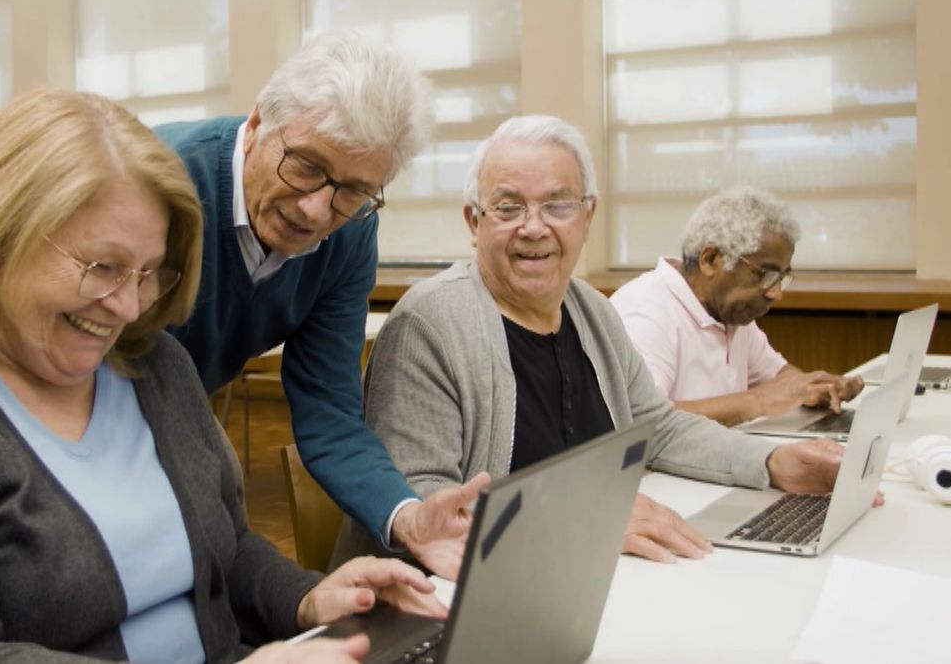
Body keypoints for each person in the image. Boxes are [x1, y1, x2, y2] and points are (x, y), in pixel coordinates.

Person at [0, 89, 444, 664]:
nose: (129, 306)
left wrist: (305, 598)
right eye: (103, 266)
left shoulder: (150, 365)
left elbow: (225, 550)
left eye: (150, 272)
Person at [330, 115, 854, 569]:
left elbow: (659, 428)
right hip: (449, 607)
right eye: (508, 208)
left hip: (580, 578)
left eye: (558, 205)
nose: (534, 228)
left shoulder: (592, 312)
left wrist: (769, 463)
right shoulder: (429, 325)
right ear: (474, 222)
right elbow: (424, 507)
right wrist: (582, 522)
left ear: (587, 216)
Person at [154, 30, 486, 575]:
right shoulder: (161, 184)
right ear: (258, 123)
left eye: (352, 190)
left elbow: (328, 408)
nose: (315, 210)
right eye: (306, 165)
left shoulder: (351, 233)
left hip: (177, 405)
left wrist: (406, 517)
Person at [609, 187, 863, 427]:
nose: (776, 293)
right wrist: (757, 402)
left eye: (781, 278)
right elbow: (644, 422)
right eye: (765, 275)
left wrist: (816, 388)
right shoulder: (646, 312)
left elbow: (780, 378)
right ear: (710, 260)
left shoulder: (729, 312)